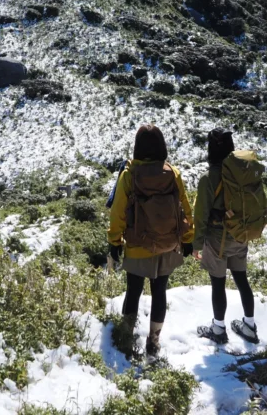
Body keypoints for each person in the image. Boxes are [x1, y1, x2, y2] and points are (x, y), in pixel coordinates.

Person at [107, 124, 195, 359]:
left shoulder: (129, 175)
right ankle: (153, 343)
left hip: (138, 245)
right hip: (167, 245)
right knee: (160, 292)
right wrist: (188, 239)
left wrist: (114, 243)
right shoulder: (172, 173)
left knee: (133, 291)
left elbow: (118, 214)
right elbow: (185, 208)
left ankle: (126, 339)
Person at [192, 128, 267, 344]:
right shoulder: (240, 174)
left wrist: (196, 244)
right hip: (240, 233)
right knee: (242, 280)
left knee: (218, 283)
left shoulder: (209, 178)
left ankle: (218, 329)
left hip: (218, 239)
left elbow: (202, 215)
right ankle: (250, 326)